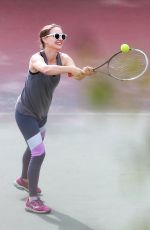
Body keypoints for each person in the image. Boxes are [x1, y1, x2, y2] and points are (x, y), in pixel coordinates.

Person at [14, 23, 93, 214]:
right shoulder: (36, 58)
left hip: (42, 114)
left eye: (62, 36)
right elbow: (47, 70)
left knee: (33, 147)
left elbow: (77, 76)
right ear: (44, 39)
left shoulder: (64, 58)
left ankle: (23, 180)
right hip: (25, 113)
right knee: (39, 152)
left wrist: (83, 72)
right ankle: (32, 200)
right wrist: (74, 70)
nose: (60, 39)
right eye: (56, 35)